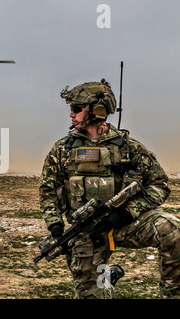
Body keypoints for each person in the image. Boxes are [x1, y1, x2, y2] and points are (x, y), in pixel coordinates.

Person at [38, 79, 179, 299]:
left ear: (97, 111)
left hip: (125, 224)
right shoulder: (62, 150)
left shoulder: (129, 148)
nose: (71, 115)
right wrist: (55, 225)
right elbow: (47, 190)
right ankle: (108, 279)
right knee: (92, 296)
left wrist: (127, 212)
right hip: (87, 232)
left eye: (76, 109)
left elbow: (159, 185)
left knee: (172, 229)